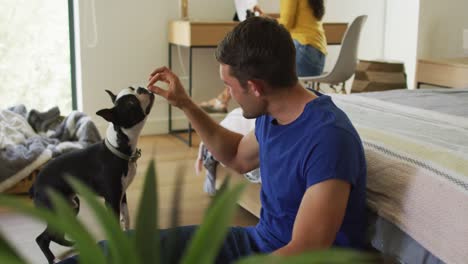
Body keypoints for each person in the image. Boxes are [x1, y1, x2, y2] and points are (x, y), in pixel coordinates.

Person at [58, 17, 365, 264]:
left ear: (256, 87)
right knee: (113, 252)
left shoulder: (329, 140)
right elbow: (237, 156)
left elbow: (306, 251)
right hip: (257, 243)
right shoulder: (274, 113)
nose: (228, 95)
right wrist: (186, 104)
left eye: (229, 86)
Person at [199, 0, 327, 113]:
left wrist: (262, 22)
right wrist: (264, 17)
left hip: (303, 48)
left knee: (252, 60)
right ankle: (223, 99)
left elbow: (285, 25)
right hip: (316, 53)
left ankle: (222, 99)